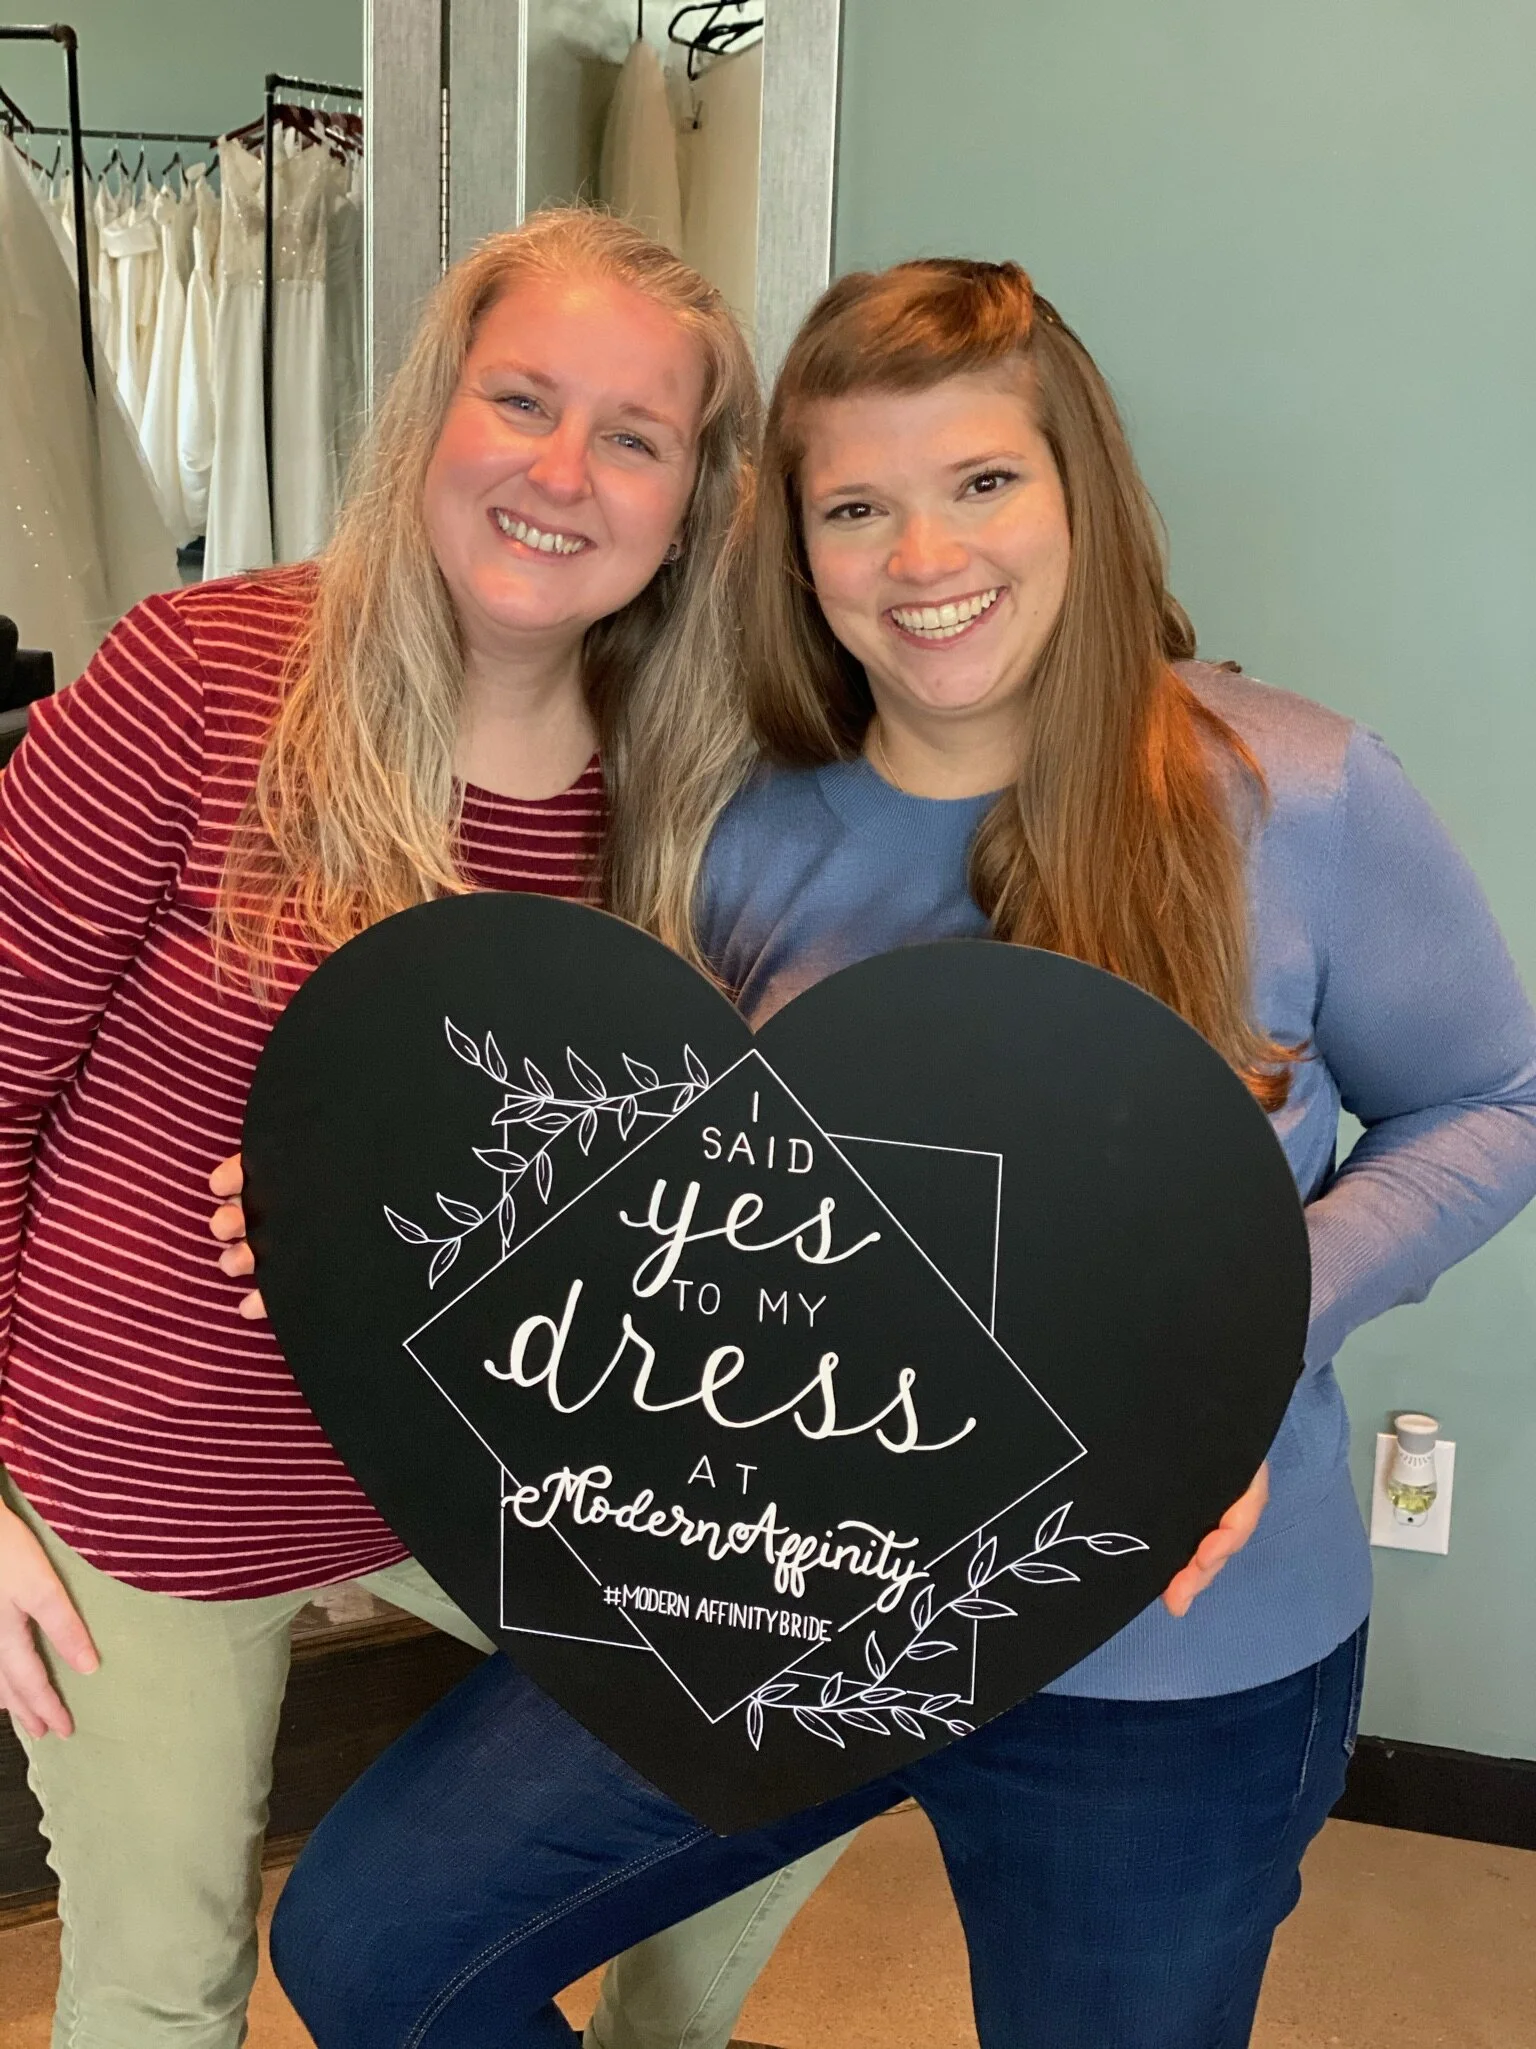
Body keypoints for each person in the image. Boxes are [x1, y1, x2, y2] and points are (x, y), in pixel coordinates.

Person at [260, 257, 1536, 2049]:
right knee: (379, 1943)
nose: (924, 563)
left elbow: (1499, 1101)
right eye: (857, 506)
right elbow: (660, 1219)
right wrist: (380, 1232)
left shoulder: (1295, 794)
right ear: (794, 545)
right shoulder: (735, 826)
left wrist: (1247, 1334)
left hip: (1177, 1657)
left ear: (1081, 490)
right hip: (784, 1597)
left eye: (983, 484)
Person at [0, 204, 824, 2049]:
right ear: (425, 423)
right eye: (518, 399)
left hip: (494, 1452)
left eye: (635, 435)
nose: (563, 470)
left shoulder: (694, 789)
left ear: (697, 498)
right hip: (148, 1460)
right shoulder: (196, 686)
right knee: (161, 1979)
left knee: (790, 1711)